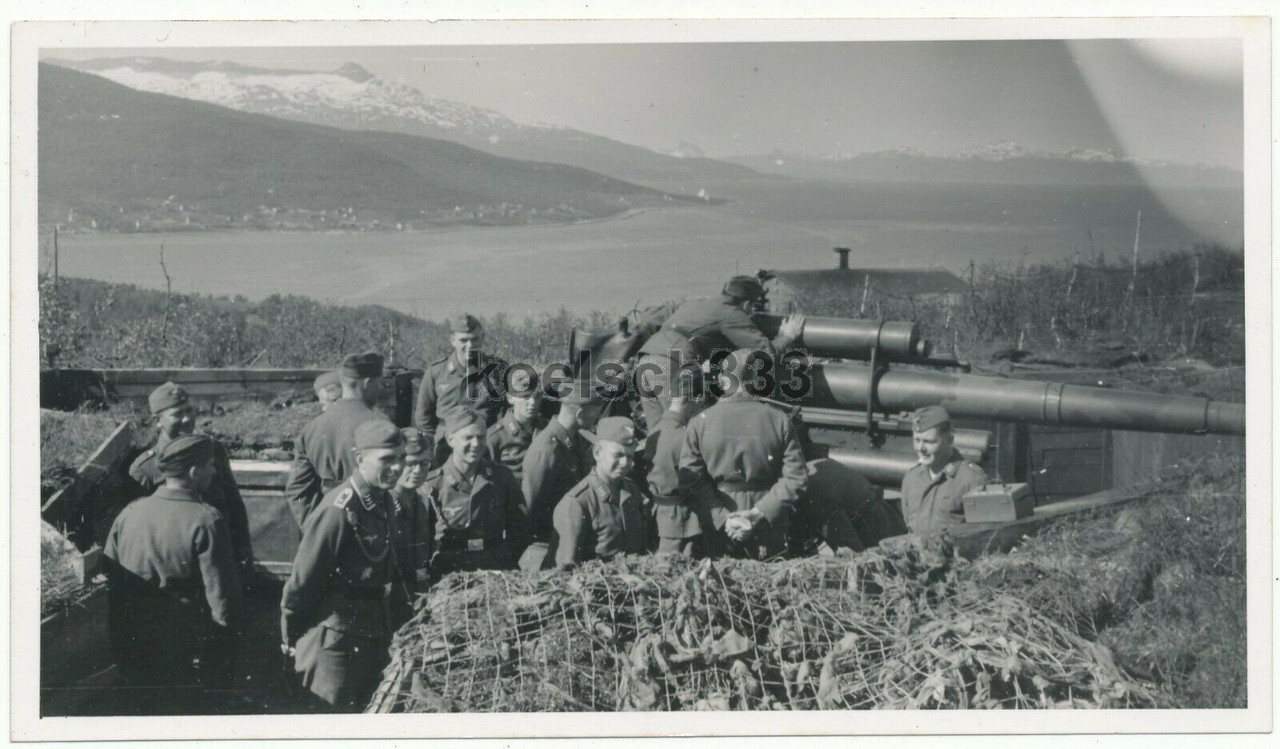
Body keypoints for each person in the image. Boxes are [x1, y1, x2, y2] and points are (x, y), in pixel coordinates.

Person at [280, 419, 414, 711]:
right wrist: (292, 630)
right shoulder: (339, 509)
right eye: (387, 459)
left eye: (402, 458)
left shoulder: (384, 501)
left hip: (374, 631)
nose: (397, 467)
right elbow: (304, 579)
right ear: (360, 459)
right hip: (337, 638)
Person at [104, 435, 243, 710]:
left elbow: (109, 573)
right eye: (210, 466)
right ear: (194, 472)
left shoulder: (130, 512)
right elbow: (222, 600)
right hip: (184, 648)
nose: (214, 472)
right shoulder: (207, 519)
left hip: (133, 643)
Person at [678, 348, 808, 559]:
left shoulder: (699, 423)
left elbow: (689, 484)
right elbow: (796, 478)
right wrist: (759, 513)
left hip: (721, 525)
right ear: (756, 380)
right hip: (768, 524)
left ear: (723, 380)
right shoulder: (779, 419)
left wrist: (724, 519)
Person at [634, 276, 804, 429]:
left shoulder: (697, 303)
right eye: (753, 307)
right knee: (683, 425)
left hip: (646, 359)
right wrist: (787, 336)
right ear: (746, 304)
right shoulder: (731, 312)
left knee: (657, 432)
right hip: (671, 363)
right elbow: (766, 354)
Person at [129, 382, 253, 576]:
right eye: (177, 414)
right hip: (177, 568)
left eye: (190, 411)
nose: (187, 419)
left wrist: (244, 553)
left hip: (219, 560)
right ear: (157, 421)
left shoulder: (214, 451)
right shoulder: (144, 469)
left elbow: (234, 506)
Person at [419, 406, 528, 581]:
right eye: (468, 438)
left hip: (495, 570)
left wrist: (506, 561)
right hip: (449, 574)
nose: (476, 444)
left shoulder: (502, 477)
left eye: (481, 437)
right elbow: (423, 541)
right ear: (450, 439)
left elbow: (520, 530)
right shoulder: (433, 485)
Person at [285, 352, 390, 527]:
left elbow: (297, 488)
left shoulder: (312, 427)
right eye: (379, 382)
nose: (380, 388)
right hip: (370, 525)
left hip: (328, 521)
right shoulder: (380, 425)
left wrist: (315, 527)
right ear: (367, 383)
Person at [517, 376, 602, 570]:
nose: (598, 418)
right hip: (548, 548)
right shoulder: (546, 450)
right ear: (579, 414)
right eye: (595, 412)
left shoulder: (574, 440)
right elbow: (529, 511)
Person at [549, 417, 651, 568]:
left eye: (630, 456)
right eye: (618, 455)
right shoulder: (578, 502)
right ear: (597, 453)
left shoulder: (632, 492)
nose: (625, 463)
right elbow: (566, 568)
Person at [413, 313, 508, 465]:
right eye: (463, 340)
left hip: (485, 445)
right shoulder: (437, 372)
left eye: (475, 339)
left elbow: (508, 409)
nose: (470, 345)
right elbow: (424, 418)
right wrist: (430, 450)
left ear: (482, 337)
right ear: (453, 340)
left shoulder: (497, 370)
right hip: (445, 449)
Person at [643, 369, 711, 556]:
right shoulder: (685, 436)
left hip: (662, 516)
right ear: (697, 398)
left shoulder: (656, 430)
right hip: (681, 521)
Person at [899, 405, 987, 535]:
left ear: (949, 440)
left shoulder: (971, 480)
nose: (921, 448)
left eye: (929, 442)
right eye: (917, 440)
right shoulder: (911, 479)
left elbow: (985, 536)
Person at [388, 427, 433, 626]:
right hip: (390, 602)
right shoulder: (385, 504)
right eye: (411, 464)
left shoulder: (420, 499)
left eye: (424, 463)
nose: (418, 471)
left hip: (414, 596)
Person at [486, 367, 544, 481]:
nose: (532, 403)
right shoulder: (496, 437)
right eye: (525, 396)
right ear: (510, 398)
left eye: (537, 396)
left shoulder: (547, 429)